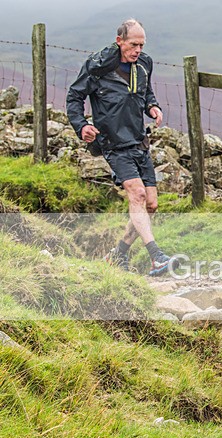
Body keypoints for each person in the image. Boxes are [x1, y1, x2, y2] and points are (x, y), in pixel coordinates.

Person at [67, 19, 176, 276]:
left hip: (138, 140)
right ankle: (156, 256)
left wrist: (153, 107)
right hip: (113, 142)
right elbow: (74, 96)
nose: (137, 50)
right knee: (136, 194)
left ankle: (118, 254)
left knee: (150, 204)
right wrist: (82, 125)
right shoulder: (96, 67)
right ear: (119, 41)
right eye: (133, 44)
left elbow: (146, 92)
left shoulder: (144, 64)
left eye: (141, 45)